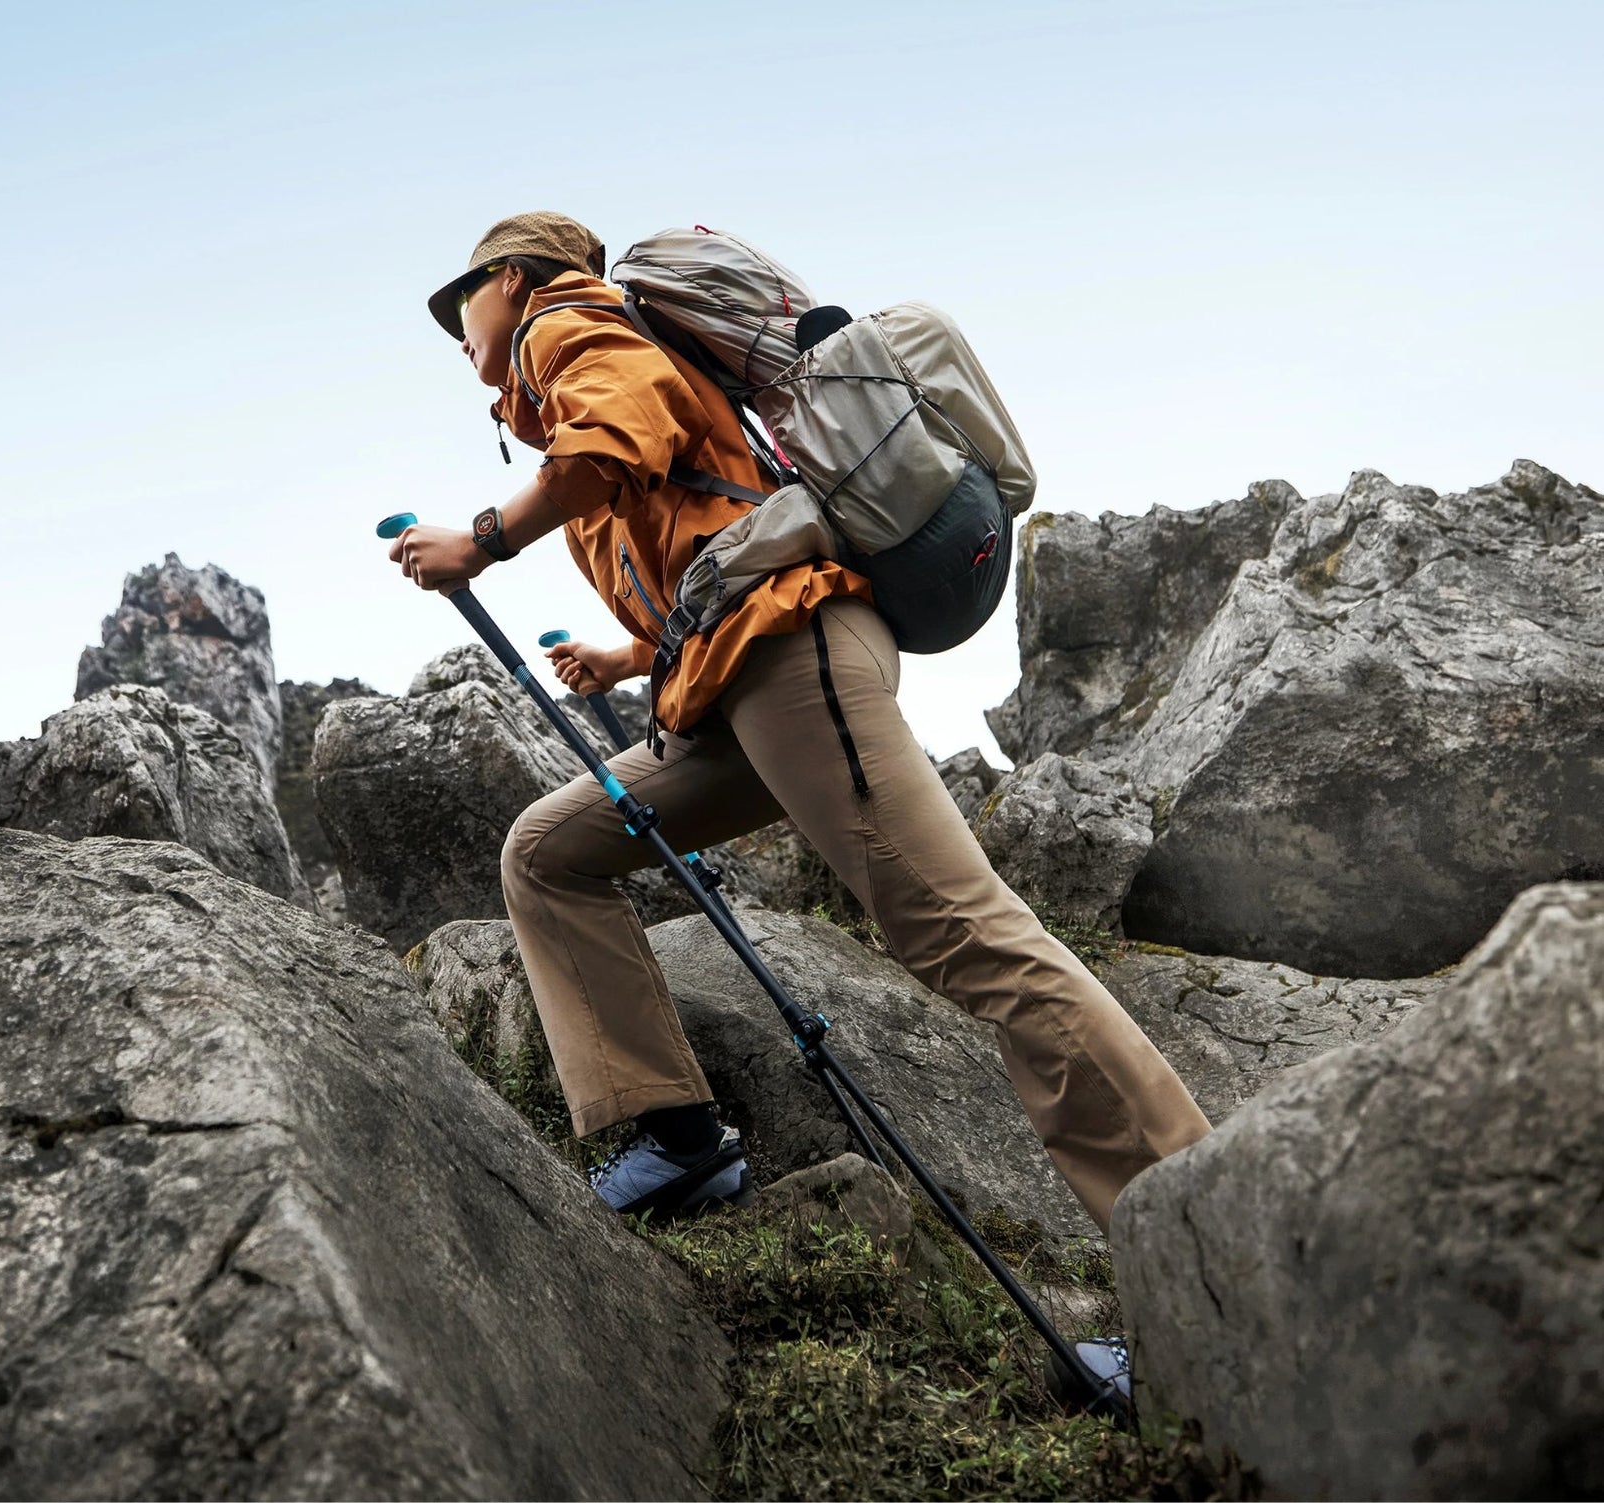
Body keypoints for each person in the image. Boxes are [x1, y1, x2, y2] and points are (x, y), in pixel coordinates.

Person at [389, 211, 1211, 1232]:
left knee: (969, 939)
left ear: (512, 279)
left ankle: (1195, 1232)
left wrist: (480, 539)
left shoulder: (562, 323)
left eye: (458, 302)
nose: (456, 332)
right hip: (744, 681)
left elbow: (624, 429)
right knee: (549, 853)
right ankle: (678, 1139)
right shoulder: (585, 359)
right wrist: (629, 656)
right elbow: (718, 540)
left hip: (790, 658)